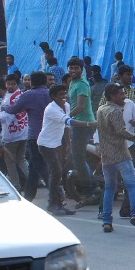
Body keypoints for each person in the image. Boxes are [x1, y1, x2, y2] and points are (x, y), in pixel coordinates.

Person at [97, 83, 135, 235]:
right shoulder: (115, 111)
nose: (124, 97)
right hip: (121, 153)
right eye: (121, 94)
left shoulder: (101, 109)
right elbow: (122, 131)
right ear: (112, 96)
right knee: (132, 185)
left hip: (107, 156)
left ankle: (107, 221)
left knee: (109, 188)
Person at [38, 84, 92, 216]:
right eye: (61, 94)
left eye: (65, 94)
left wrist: (67, 144)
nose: (64, 97)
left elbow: (66, 128)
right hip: (46, 144)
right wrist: (89, 124)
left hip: (58, 143)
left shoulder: (66, 106)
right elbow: (69, 122)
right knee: (55, 173)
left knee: (59, 172)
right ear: (54, 96)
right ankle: (53, 204)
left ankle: (58, 203)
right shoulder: (51, 109)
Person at [1, 70, 51, 201]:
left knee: (40, 165)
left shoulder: (28, 95)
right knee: (34, 166)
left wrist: (4, 109)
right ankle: (28, 197)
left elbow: (14, 109)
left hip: (34, 135)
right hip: (50, 135)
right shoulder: (51, 93)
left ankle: (56, 193)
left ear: (32, 82)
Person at [67, 57, 98, 205]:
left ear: (81, 70)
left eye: (76, 68)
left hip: (83, 124)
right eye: (71, 68)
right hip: (78, 124)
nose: (73, 71)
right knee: (79, 158)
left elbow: (80, 106)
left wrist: (65, 117)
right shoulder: (73, 83)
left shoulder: (82, 84)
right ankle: (94, 187)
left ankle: (89, 192)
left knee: (78, 159)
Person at [0, 73, 28, 189]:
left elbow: (8, 116)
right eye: (8, 84)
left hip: (12, 133)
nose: (10, 86)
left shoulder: (12, 97)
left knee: (10, 160)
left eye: (13, 84)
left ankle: (15, 184)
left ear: (17, 84)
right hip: (22, 132)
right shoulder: (18, 94)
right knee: (21, 158)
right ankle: (31, 181)